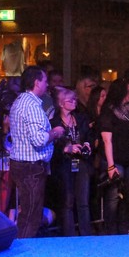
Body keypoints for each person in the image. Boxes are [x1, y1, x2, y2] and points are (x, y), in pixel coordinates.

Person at [9, 66, 66, 238]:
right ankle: (24, 248)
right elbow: (39, 139)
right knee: (31, 215)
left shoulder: (20, 101)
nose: (47, 84)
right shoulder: (32, 106)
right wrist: (56, 132)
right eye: (45, 81)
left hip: (23, 164)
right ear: (36, 82)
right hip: (31, 167)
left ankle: (23, 245)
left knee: (28, 212)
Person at [50, 87, 94, 236]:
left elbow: (89, 135)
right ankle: (69, 235)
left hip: (81, 161)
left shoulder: (81, 118)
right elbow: (51, 146)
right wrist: (66, 149)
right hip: (64, 164)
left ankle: (86, 235)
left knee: (83, 201)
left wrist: (87, 144)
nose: (75, 102)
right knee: (67, 202)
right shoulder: (54, 122)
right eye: (71, 100)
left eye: (75, 99)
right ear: (61, 104)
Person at [99, 78, 129, 234]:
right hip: (115, 159)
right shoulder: (108, 111)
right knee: (114, 198)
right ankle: (111, 231)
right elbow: (107, 140)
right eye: (128, 90)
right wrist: (111, 166)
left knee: (128, 197)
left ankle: (124, 229)